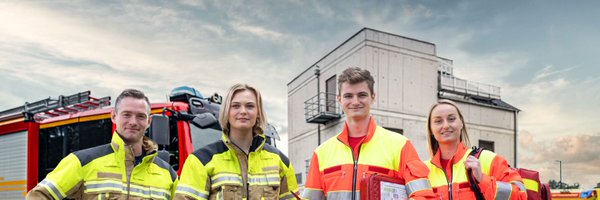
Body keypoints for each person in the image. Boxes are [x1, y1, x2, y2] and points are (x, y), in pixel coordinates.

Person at [303, 67, 437, 200]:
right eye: (348, 96)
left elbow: (423, 195)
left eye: (362, 95)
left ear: (373, 97)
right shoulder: (321, 153)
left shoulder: (400, 145)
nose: (355, 102)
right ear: (340, 99)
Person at [27, 89, 177, 199]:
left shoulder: (168, 174)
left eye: (140, 116)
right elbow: (38, 196)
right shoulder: (82, 162)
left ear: (149, 122)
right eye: (126, 114)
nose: (133, 122)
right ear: (113, 116)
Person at [174, 83, 300, 200]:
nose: (243, 111)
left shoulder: (280, 161)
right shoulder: (200, 161)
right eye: (235, 106)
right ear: (227, 112)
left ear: (258, 113)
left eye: (250, 106)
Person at [424, 99, 527, 200]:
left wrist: (482, 179)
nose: (446, 125)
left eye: (451, 119)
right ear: (431, 129)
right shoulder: (422, 172)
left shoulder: (487, 160)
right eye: (438, 121)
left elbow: (521, 195)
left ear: (461, 123)